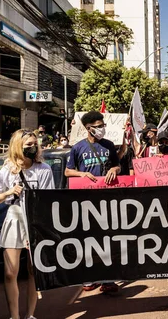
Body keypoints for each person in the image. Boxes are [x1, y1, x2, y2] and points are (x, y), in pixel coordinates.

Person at [0, 129, 55, 319]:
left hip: (35, 221)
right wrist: (9, 192)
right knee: (10, 272)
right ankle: (14, 316)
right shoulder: (8, 169)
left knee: (33, 271)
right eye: (28, 145)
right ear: (18, 147)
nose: (33, 148)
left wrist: (39, 229)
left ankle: (30, 315)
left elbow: (47, 201)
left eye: (35, 144)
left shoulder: (44, 169)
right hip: (14, 218)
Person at [65, 111, 121, 294]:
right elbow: (67, 171)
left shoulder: (109, 145)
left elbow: (118, 165)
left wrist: (114, 168)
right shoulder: (77, 148)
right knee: (88, 240)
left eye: (103, 125)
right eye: (98, 126)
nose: (102, 129)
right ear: (88, 128)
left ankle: (108, 279)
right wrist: (82, 174)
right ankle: (89, 277)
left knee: (108, 239)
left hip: (106, 200)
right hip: (85, 201)